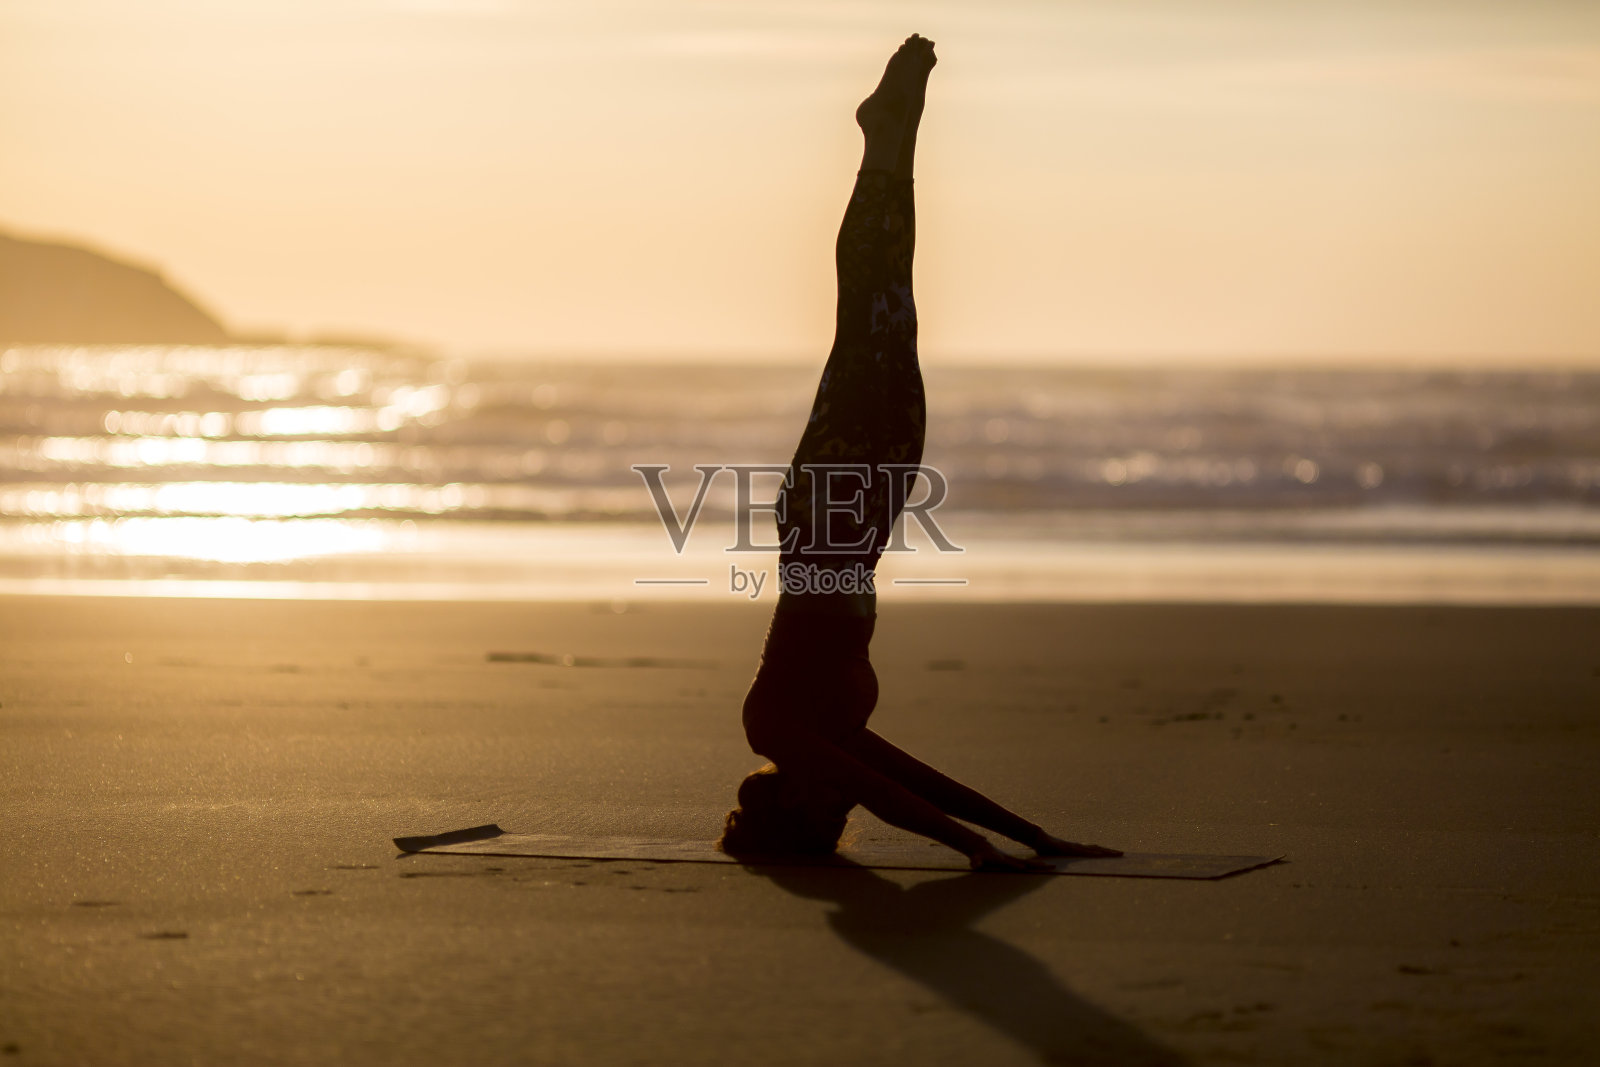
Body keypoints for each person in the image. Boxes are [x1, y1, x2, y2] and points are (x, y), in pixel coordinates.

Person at [719, 35, 1121, 872]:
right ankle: (891, 149)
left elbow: (886, 796)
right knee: (892, 322)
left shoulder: (776, 728)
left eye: (826, 811)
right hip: (862, 524)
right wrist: (1031, 838)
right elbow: (919, 782)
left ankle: (882, 143)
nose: (842, 802)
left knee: (871, 317)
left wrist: (975, 852)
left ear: (795, 799)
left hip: (826, 516)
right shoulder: (834, 733)